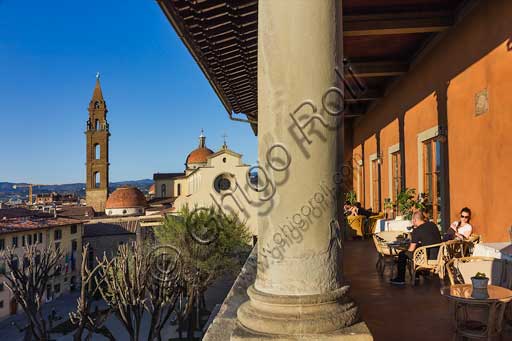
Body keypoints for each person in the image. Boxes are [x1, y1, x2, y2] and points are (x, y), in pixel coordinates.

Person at [390, 210, 441, 285]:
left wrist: (406, 250)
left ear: (415, 220)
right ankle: (417, 275)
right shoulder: (433, 225)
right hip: (439, 255)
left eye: (412, 220)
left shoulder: (417, 230)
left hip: (428, 258)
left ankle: (400, 279)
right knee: (418, 251)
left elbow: (411, 249)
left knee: (402, 255)